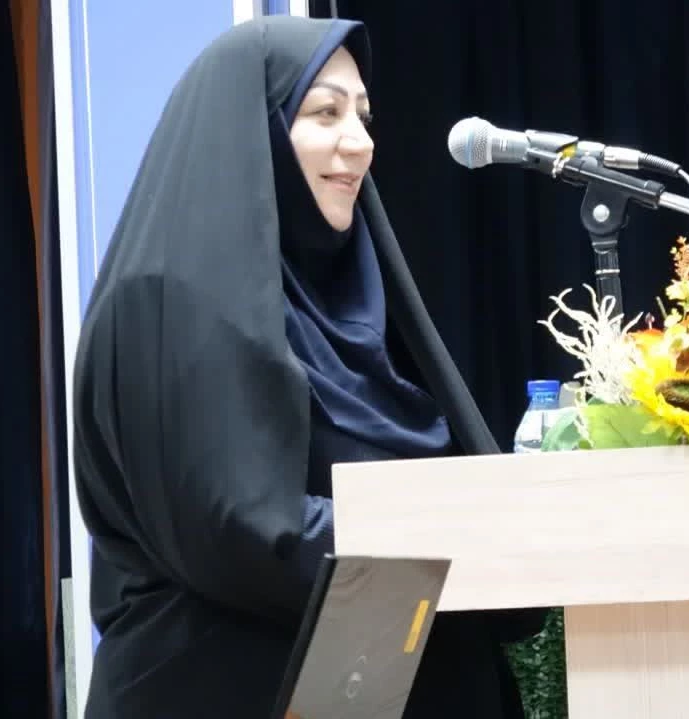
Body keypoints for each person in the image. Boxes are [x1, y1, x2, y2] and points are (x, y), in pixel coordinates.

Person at [71, 15, 546, 719]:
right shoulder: (167, 301)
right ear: (250, 132)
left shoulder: (349, 314)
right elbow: (240, 530)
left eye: (364, 116)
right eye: (325, 113)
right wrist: (454, 533)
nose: (359, 141)